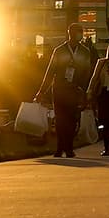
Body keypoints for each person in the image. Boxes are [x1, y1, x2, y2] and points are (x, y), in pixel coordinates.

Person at [35, 23, 94, 157]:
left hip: (75, 91)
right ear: (69, 33)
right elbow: (50, 72)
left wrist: (83, 90)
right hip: (60, 90)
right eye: (77, 32)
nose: (79, 34)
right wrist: (42, 91)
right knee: (61, 120)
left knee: (72, 120)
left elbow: (86, 72)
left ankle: (69, 147)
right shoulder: (59, 50)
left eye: (81, 32)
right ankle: (60, 147)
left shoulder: (85, 52)